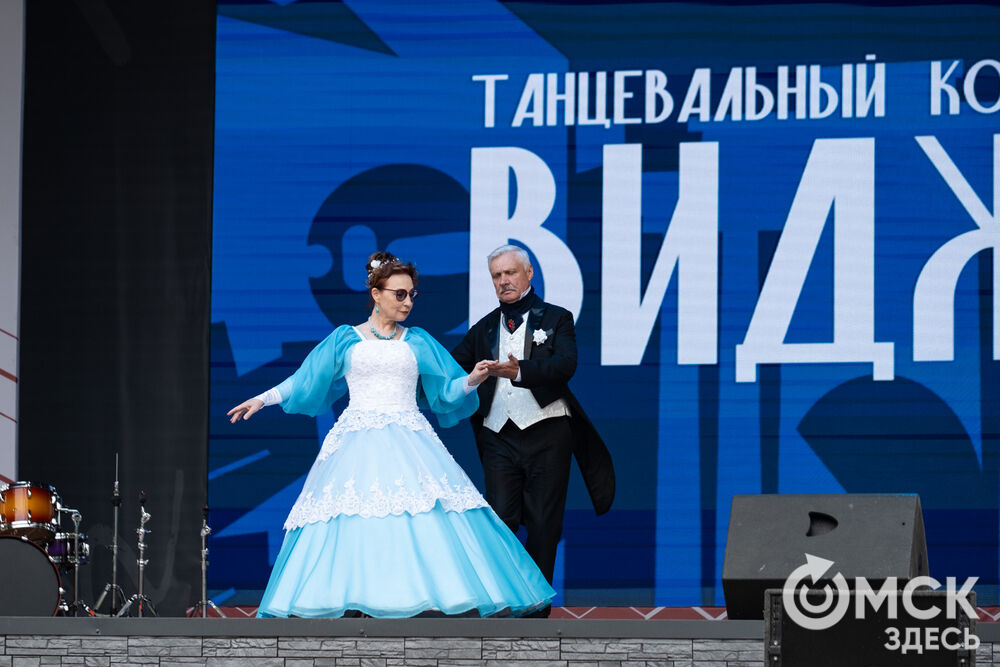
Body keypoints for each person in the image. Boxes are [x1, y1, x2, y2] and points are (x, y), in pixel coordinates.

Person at [228, 251, 555, 618]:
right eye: (399, 294)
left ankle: (406, 601)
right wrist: (263, 398)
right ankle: (358, 603)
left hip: (409, 440)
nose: (407, 302)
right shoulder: (345, 339)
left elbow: (446, 393)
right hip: (356, 442)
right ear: (376, 294)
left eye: (412, 294)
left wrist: (473, 379)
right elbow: (304, 379)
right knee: (355, 517)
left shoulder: (418, 341)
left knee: (418, 517)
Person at [451, 245, 615, 610]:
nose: (504, 281)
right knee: (499, 521)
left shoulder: (557, 318)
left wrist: (520, 371)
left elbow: (566, 365)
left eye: (510, 272)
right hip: (498, 436)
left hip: (547, 433)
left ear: (529, 273)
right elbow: (451, 367)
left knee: (543, 525)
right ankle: (504, 601)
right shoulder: (483, 328)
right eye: (497, 275)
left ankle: (536, 608)